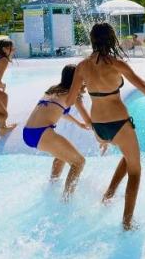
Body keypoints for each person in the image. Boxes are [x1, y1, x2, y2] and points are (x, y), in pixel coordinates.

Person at [66, 22, 145, 230]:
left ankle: (108, 194)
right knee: (135, 171)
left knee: (128, 158)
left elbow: (71, 100)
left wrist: (89, 118)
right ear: (111, 40)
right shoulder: (117, 64)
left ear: (92, 40)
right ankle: (127, 223)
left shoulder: (82, 67)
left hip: (99, 126)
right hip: (119, 124)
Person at [22, 64, 92, 200]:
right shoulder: (73, 95)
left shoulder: (53, 90)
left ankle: (52, 187)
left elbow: (61, 111)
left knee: (62, 156)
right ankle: (66, 200)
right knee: (79, 162)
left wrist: (78, 124)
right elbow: (89, 121)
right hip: (41, 133)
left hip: (28, 132)